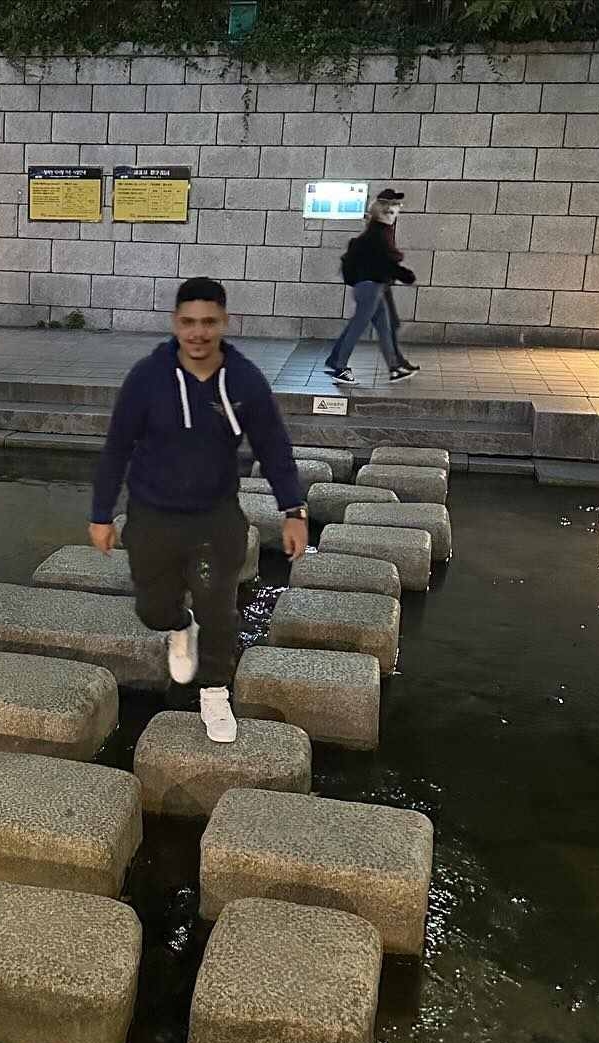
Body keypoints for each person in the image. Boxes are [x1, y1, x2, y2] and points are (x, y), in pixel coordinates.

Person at [89, 277, 308, 744]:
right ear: (175, 324)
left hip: (215, 519)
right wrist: (102, 514)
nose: (198, 332)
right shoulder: (148, 378)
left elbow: (274, 447)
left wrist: (294, 510)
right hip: (151, 517)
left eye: (209, 322)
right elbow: (116, 448)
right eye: (189, 322)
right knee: (153, 610)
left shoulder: (243, 380)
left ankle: (214, 694)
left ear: (224, 323)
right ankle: (177, 626)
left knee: (219, 611)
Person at [323, 196, 417, 386]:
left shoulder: (374, 232)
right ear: (382, 214)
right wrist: (406, 275)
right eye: (391, 212)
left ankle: (393, 368)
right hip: (371, 287)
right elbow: (385, 262)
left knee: (384, 327)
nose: (394, 216)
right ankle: (340, 368)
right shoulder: (378, 234)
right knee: (358, 326)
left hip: (372, 286)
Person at [374, 188, 418, 375]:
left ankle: (397, 362)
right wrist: (402, 271)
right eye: (395, 204)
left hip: (381, 282)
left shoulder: (385, 227)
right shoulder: (379, 229)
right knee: (385, 325)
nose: (398, 208)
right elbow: (384, 256)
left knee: (390, 324)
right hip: (375, 284)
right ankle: (395, 364)